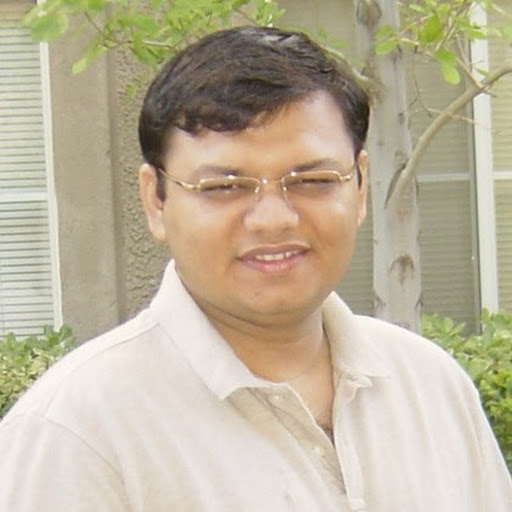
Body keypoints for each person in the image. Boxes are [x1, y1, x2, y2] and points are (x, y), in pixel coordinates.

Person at [0, 26, 510, 512]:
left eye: (312, 180)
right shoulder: (76, 432)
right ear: (155, 200)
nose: (273, 219)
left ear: (359, 186)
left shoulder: (429, 385)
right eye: (224, 187)